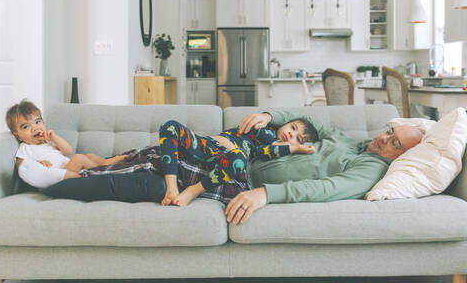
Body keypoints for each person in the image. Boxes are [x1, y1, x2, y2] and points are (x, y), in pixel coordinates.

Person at [223, 111, 423, 225]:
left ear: (403, 155)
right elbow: (307, 121)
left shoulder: (371, 169)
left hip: (240, 183)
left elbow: (326, 189)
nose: (383, 138)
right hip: (239, 157)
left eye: (395, 143)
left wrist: (266, 194)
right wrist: (268, 116)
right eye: (389, 132)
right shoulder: (347, 141)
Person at [158, 118, 318, 206]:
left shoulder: (272, 147)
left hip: (225, 160)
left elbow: (264, 151)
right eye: (293, 127)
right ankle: (171, 189)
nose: (291, 134)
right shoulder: (262, 127)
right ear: (285, 123)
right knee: (170, 126)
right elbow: (253, 127)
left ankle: (194, 191)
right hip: (204, 145)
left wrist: (294, 149)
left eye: (297, 139)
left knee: (239, 160)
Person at [5, 99, 128, 188]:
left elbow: (68, 151)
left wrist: (55, 138)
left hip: (69, 167)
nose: (35, 128)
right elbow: (23, 166)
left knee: (89, 156)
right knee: (79, 158)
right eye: (26, 126)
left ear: (43, 123)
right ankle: (102, 172)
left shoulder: (48, 141)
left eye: (37, 122)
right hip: (59, 177)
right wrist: (37, 164)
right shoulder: (26, 148)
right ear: (18, 135)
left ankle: (105, 163)